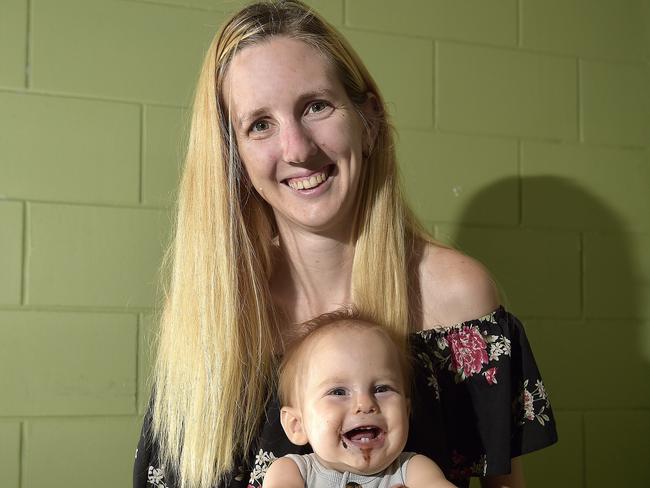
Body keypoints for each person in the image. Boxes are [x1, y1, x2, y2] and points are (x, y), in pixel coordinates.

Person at [133, 1, 557, 488]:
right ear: (235, 159)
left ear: (369, 120)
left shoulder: (459, 299)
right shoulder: (207, 314)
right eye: (260, 125)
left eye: (316, 106)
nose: (296, 149)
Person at [264, 309, 456, 488]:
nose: (365, 404)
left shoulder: (415, 469)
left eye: (382, 389)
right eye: (338, 392)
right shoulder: (291, 471)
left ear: (406, 412)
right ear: (296, 425)